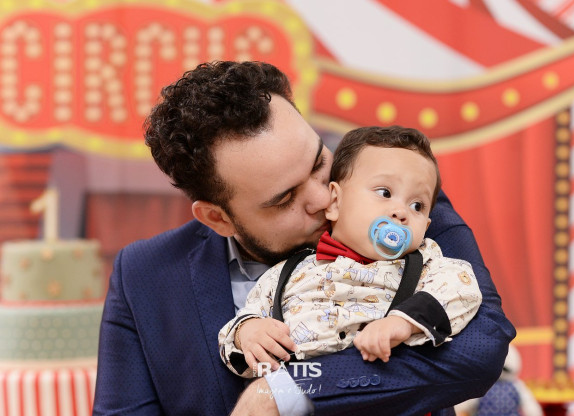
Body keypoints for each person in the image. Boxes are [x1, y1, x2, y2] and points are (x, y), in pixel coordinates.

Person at [93, 61, 516, 416]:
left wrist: (287, 390)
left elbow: (481, 348)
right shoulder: (145, 275)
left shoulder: (399, 204)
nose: (322, 197)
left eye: (318, 163)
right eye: (284, 199)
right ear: (217, 218)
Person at [219, 126, 482, 378]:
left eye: (417, 206)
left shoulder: (423, 265)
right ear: (335, 201)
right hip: (299, 386)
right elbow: (242, 324)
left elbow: (463, 289)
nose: (401, 212)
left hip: (380, 387)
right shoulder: (287, 272)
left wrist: (404, 322)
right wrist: (247, 333)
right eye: (385, 192)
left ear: (426, 226)